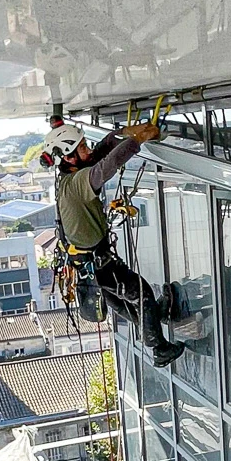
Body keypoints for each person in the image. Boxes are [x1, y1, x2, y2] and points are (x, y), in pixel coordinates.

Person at [38, 118, 184, 365]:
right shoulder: (77, 183)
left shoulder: (66, 176)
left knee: (125, 303)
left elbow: (101, 152)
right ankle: (158, 348)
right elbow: (108, 165)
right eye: (82, 147)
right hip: (97, 265)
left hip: (87, 266)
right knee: (142, 294)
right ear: (69, 157)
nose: (87, 149)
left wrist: (126, 132)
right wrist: (137, 139)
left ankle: (153, 323)